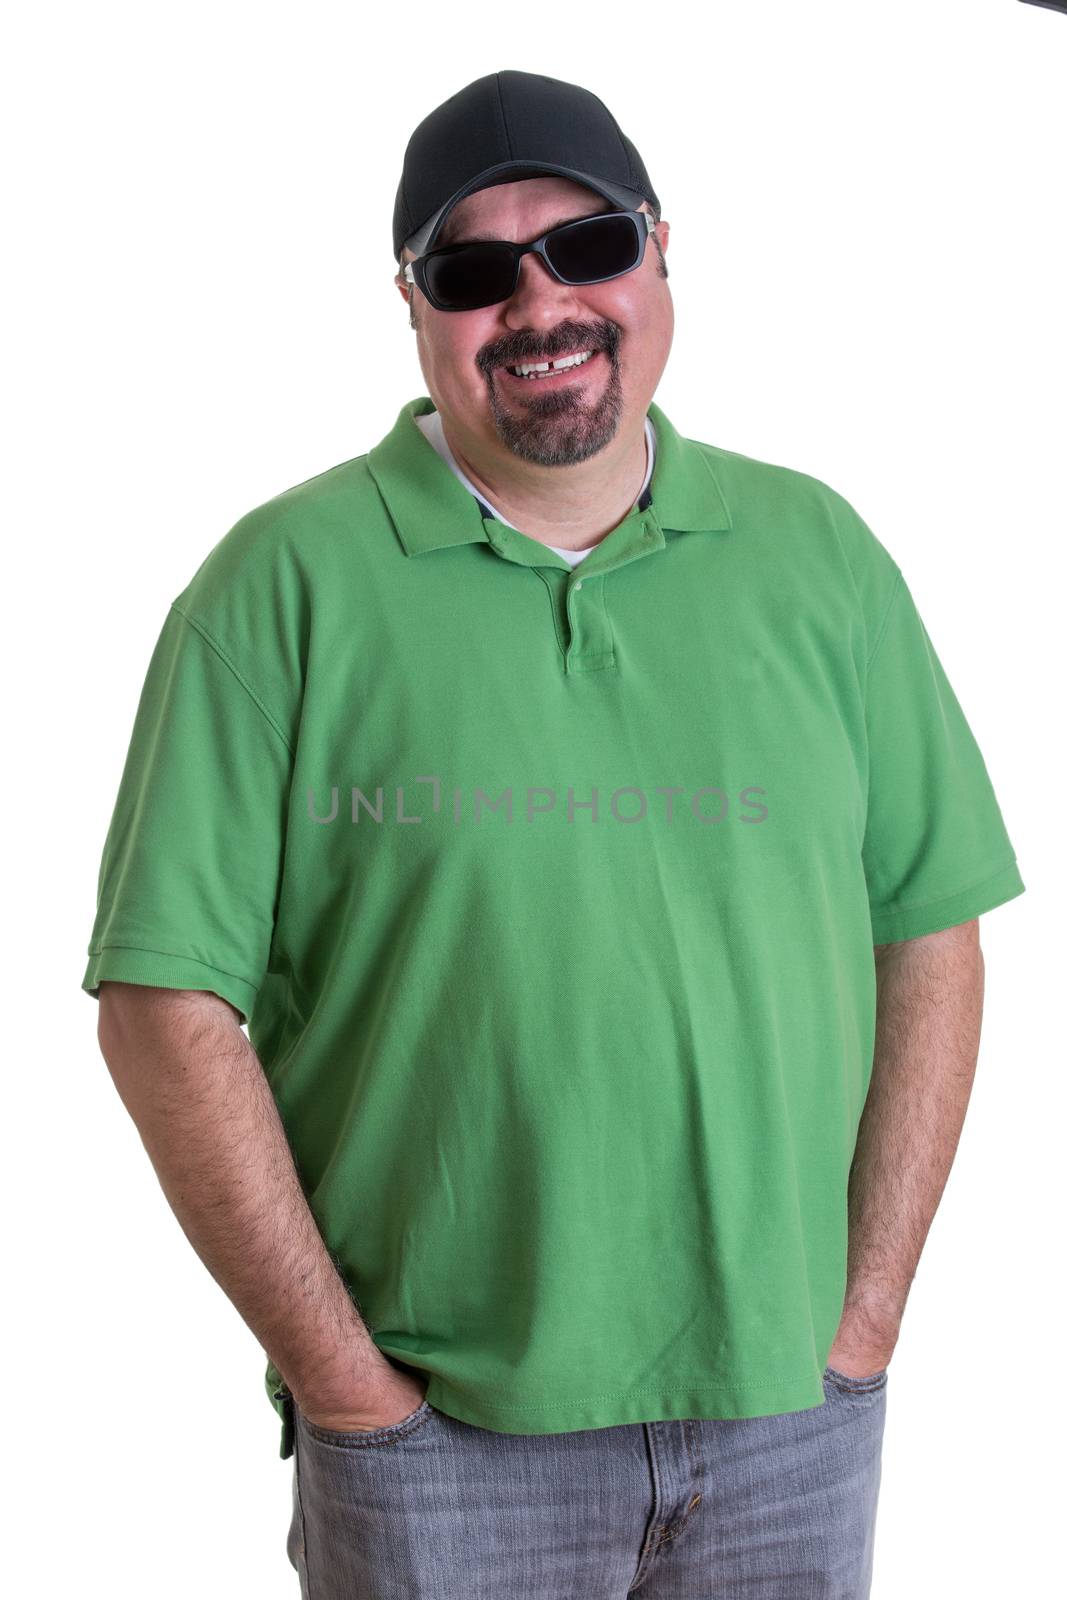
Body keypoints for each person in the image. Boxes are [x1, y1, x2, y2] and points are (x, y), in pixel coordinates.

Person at [83, 69, 1025, 1599]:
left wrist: (862, 1324)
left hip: (792, 1421)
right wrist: (347, 1390)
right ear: (413, 308)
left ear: (659, 254)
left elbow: (932, 926)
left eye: (585, 246)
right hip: (445, 1444)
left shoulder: (819, 558)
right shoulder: (279, 590)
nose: (540, 302)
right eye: (472, 271)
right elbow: (162, 1007)